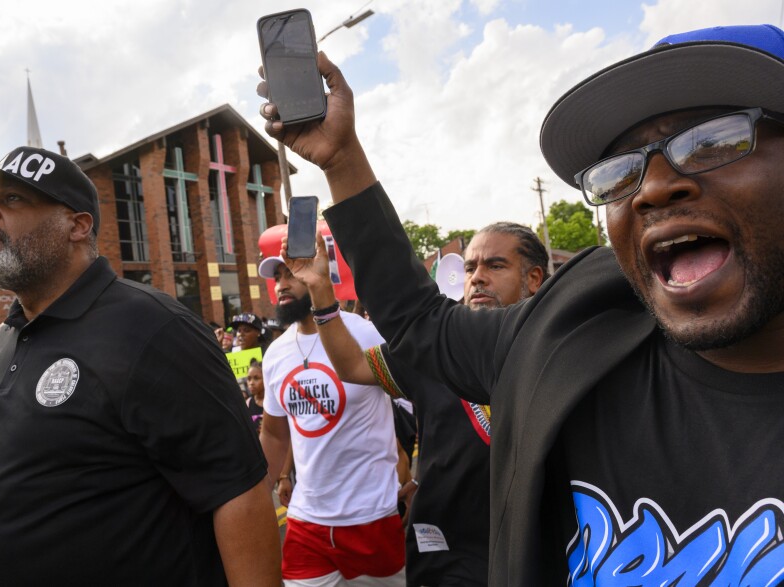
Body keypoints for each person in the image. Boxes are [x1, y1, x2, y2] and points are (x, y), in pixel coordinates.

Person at [259, 24, 784, 584]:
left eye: (712, 142)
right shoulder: (564, 332)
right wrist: (341, 159)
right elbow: (416, 324)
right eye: (621, 169)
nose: (653, 187)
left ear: (536, 277)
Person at [0, 146, 280, 586]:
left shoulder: (152, 327)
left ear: (77, 226)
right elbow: (2, 464)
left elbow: (239, 492)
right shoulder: (9, 334)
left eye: (11, 200)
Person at [283, 224, 547, 586]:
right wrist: (320, 291)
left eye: (495, 266)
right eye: (471, 268)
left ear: (534, 278)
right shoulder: (437, 345)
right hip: (447, 554)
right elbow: (352, 367)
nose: (478, 278)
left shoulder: (562, 353)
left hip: (535, 550)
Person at [258, 256, 406, 586]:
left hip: (373, 520)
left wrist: (420, 481)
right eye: (278, 276)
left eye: (291, 273)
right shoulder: (276, 354)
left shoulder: (366, 334)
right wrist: (256, 496)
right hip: (306, 524)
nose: (281, 283)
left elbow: (417, 403)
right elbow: (274, 434)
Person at [245, 358, 265, 435]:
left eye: (256, 378)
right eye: (249, 379)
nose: (251, 383)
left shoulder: (274, 401)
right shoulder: (248, 403)